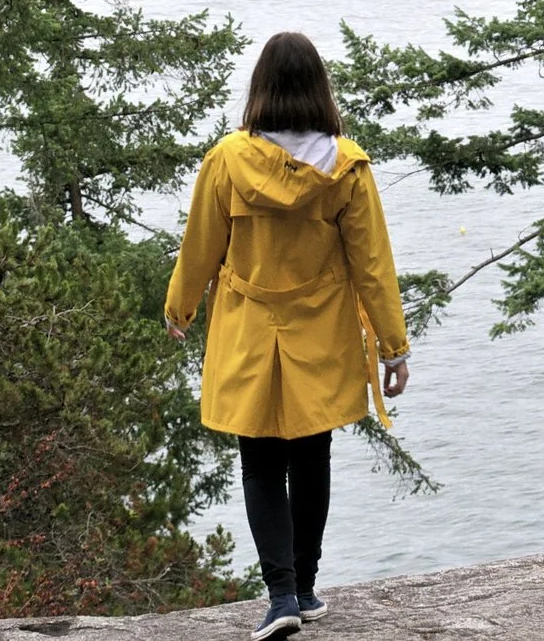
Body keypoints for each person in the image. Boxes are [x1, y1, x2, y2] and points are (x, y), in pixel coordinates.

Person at [165, 32, 412, 641]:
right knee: (311, 457)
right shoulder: (347, 166)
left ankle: (280, 597)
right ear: (320, 90)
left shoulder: (228, 160)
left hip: (248, 326)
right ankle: (304, 587)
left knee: (259, 464)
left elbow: (201, 244)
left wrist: (180, 307)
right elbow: (372, 264)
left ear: (262, 88)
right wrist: (393, 347)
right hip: (320, 328)